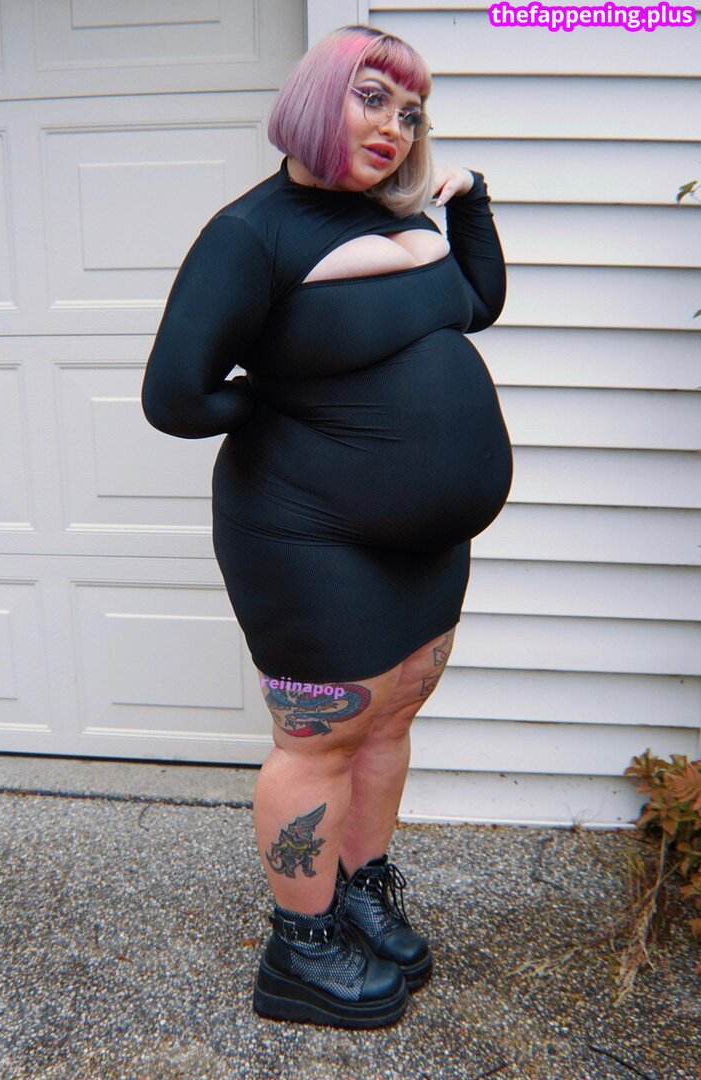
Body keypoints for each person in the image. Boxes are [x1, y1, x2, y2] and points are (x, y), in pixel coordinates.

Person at [141, 23, 513, 1030]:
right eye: (371, 97)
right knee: (323, 737)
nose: (395, 127)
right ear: (313, 97)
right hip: (305, 532)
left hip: (423, 545)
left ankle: (357, 892)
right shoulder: (250, 234)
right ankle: (299, 950)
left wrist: (470, 205)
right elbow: (176, 395)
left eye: (411, 113)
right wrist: (281, 406)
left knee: (389, 718)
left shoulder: (398, 216)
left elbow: (476, 302)